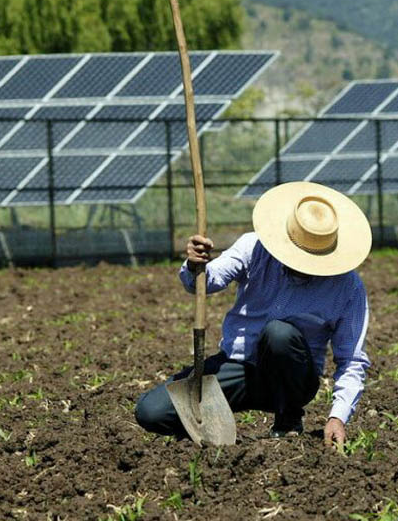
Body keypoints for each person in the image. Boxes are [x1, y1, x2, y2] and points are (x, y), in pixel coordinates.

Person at [135, 181, 372, 448]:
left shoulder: (347, 287)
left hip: (293, 379)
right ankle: (205, 429)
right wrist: (195, 265)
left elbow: (351, 360)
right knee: (151, 412)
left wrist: (337, 417)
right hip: (239, 367)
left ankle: (288, 417)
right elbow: (206, 281)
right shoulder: (254, 247)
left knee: (278, 333)